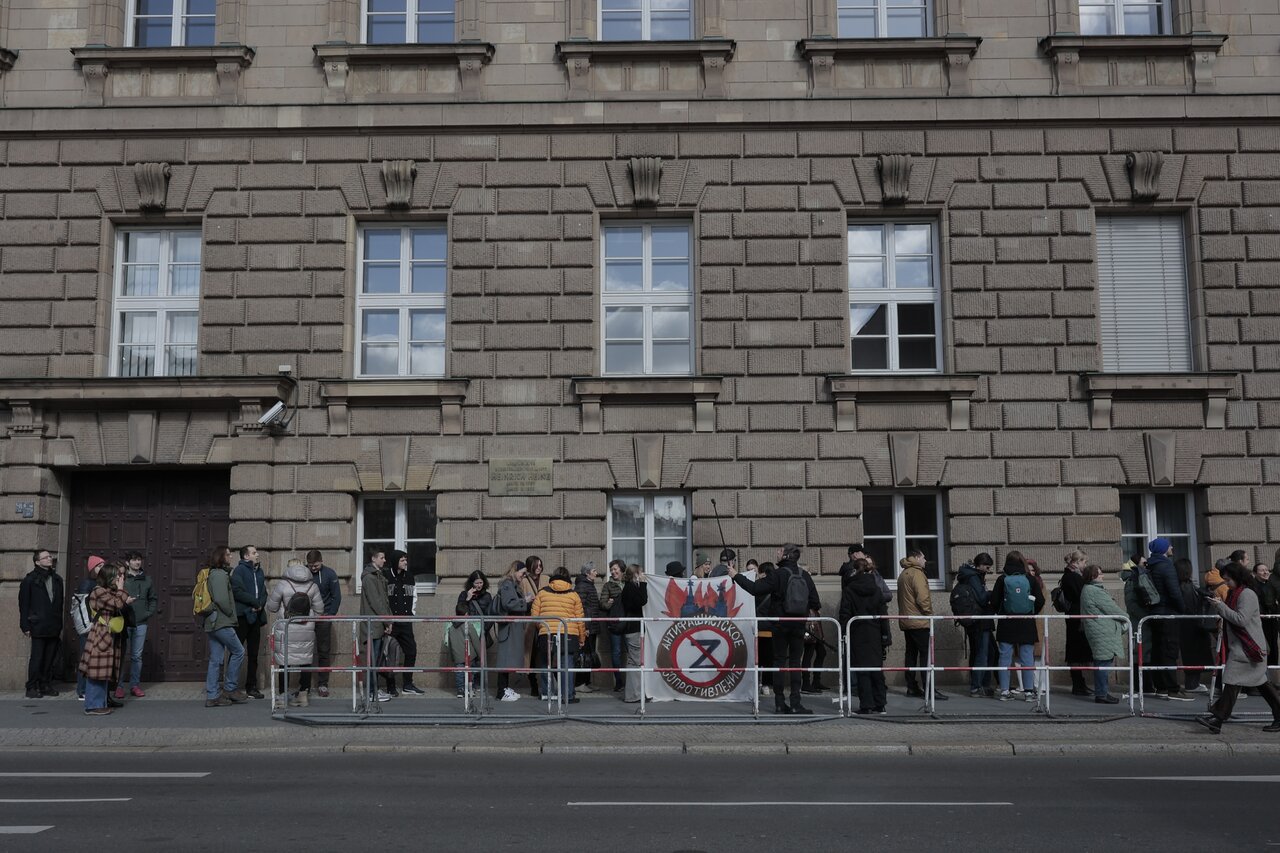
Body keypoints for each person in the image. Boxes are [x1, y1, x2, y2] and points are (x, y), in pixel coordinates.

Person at [730, 543, 820, 714]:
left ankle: (779, 703)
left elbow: (755, 589)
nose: (776, 553)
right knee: (795, 664)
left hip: (779, 624)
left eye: (779, 551)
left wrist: (736, 576)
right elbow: (815, 602)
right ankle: (796, 703)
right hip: (799, 625)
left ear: (785, 555)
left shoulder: (777, 575)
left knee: (779, 662)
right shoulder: (805, 576)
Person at [1197, 562, 1280, 734]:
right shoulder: (1236, 592)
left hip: (1249, 647)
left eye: (1228, 580)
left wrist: (1220, 606)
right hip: (1245, 647)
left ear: (1237, 577)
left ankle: (1217, 718)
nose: (1226, 583)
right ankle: (1217, 719)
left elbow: (1241, 619)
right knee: (1261, 684)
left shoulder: (1247, 594)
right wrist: (1220, 605)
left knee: (1232, 680)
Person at [265, 557, 323, 708]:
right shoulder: (312, 586)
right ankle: (303, 696)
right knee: (305, 661)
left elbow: (271, 607)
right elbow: (320, 610)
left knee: (284, 663)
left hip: (286, 628)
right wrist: (309, 621)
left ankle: (283, 697)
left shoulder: (283, 584)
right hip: (306, 630)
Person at [78, 562, 132, 716]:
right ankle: (93, 705)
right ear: (108, 577)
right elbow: (116, 604)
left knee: (104, 670)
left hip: (108, 634)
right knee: (96, 670)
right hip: (101, 634)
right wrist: (121, 590)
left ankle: (100, 702)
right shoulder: (98, 591)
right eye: (116, 576)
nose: (119, 578)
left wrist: (120, 592)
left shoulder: (107, 591)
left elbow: (118, 601)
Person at [990, 551, 1044, 702]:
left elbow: (994, 601)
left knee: (1004, 657)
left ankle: (1005, 691)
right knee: (1027, 657)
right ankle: (1028, 692)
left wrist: (1000, 611)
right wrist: (1031, 612)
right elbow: (1040, 600)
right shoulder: (1030, 579)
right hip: (1026, 622)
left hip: (1007, 622)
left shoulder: (1002, 579)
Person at [531, 566, 588, 704]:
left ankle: (547, 693)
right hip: (569, 633)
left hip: (547, 633)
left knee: (545, 663)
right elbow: (579, 619)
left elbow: (534, 616)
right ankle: (567, 696)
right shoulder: (574, 595)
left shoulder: (542, 593)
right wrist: (581, 638)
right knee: (566, 664)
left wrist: (542, 628)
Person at [839, 557, 888, 715]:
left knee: (862, 671)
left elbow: (844, 614)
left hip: (857, 632)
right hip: (874, 632)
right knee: (876, 669)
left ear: (854, 570)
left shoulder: (849, 589)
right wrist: (886, 635)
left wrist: (844, 633)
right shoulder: (876, 589)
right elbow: (883, 614)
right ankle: (880, 704)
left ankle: (866, 705)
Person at [1145, 538, 1191, 701]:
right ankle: (1173, 688)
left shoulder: (1151, 565)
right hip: (1167, 613)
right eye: (1169, 545)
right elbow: (1174, 592)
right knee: (1170, 651)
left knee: (1158, 650)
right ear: (1164, 549)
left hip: (1155, 613)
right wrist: (1182, 609)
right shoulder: (1166, 566)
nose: (1172, 547)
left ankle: (1161, 687)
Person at [203, 546, 248, 708]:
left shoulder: (212, 574)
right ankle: (229, 689)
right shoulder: (220, 575)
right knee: (239, 651)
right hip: (221, 621)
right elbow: (222, 600)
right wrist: (230, 613)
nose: (230, 557)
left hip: (212, 622)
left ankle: (213, 695)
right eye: (228, 554)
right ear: (221, 557)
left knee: (215, 659)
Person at [897, 550, 945, 700]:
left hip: (907, 620)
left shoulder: (904, 573)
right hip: (919, 620)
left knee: (911, 654)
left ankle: (911, 687)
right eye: (923, 557)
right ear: (917, 557)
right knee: (926, 656)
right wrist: (929, 614)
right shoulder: (917, 573)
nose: (925, 560)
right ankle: (929, 688)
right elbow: (923, 598)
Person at [19, 549, 64, 699]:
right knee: (37, 658)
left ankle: (45, 684)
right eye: (45, 557)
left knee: (49, 657)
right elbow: (24, 604)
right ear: (37, 562)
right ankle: (31, 686)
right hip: (37, 625)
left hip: (53, 624)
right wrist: (25, 625)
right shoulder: (30, 580)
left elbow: (59, 603)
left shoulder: (57, 579)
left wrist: (59, 622)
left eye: (50, 556)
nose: (49, 559)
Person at [1079, 564, 1125, 704]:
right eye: (1100, 574)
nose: (1103, 575)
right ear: (1093, 576)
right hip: (1102, 631)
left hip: (1098, 630)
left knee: (1102, 662)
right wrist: (1126, 618)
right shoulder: (1094, 591)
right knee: (1103, 663)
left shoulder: (1089, 589)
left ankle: (1103, 692)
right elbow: (1112, 609)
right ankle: (1101, 694)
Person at [115, 551, 156, 700]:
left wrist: (147, 613)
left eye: (139, 560)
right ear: (128, 563)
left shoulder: (147, 580)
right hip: (124, 622)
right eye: (134, 560)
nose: (137, 562)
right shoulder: (121, 579)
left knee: (136, 656)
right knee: (121, 654)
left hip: (140, 622)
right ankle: (119, 686)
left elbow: (153, 599)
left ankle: (134, 685)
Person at [954, 552, 996, 697]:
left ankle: (981, 684)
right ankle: (977, 686)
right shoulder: (974, 577)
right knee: (982, 654)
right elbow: (982, 598)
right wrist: (993, 594)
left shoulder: (969, 575)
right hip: (980, 621)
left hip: (976, 620)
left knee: (982, 652)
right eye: (987, 567)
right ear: (979, 565)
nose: (988, 570)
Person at [493, 561, 533, 702]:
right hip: (509, 627)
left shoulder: (510, 584)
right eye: (522, 572)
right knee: (505, 659)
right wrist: (525, 601)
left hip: (511, 627)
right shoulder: (508, 584)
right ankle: (501, 691)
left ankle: (504, 689)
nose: (524, 576)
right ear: (515, 571)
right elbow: (508, 603)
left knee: (508, 659)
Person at [303, 550, 342, 698]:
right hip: (306, 617)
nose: (313, 569)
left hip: (323, 617)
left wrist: (330, 614)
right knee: (304, 651)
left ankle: (323, 684)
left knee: (324, 651)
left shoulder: (330, 574)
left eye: (316, 566)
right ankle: (304, 685)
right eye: (311, 566)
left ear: (321, 561)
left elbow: (336, 596)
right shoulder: (304, 574)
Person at [231, 545, 267, 699]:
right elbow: (237, 592)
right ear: (246, 556)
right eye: (254, 553)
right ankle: (231, 686)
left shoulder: (259, 571)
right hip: (243, 617)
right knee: (237, 652)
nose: (257, 554)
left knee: (254, 654)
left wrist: (260, 605)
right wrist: (255, 603)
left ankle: (251, 686)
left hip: (256, 617)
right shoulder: (239, 571)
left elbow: (264, 592)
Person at [383, 551, 420, 696]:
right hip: (391, 623)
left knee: (411, 651)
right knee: (390, 655)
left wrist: (412, 613)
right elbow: (383, 598)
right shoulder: (386, 576)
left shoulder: (409, 576)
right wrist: (386, 620)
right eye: (402, 560)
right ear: (395, 561)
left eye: (406, 560)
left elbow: (414, 595)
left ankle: (407, 684)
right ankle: (390, 686)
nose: (405, 562)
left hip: (406, 621)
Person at [359, 549, 393, 703]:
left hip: (378, 623)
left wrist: (388, 620)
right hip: (373, 624)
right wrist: (388, 620)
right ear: (373, 559)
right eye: (382, 557)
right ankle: (372, 692)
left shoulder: (377, 576)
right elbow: (376, 602)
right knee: (372, 660)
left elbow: (384, 601)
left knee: (377, 659)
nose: (384, 560)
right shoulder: (370, 578)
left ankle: (374, 690)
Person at [1178, 557, 1215, 695]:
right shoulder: (1186, 587)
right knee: (1194, 655)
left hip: (1189, 626)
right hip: (1192, 626)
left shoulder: (1186, 585)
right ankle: (1192, 684)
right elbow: (1191, 607)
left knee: (1193, 655)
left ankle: (1193, 682)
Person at [1059, 549, 1093, 696]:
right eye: (1084, 562)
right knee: (1076, 652)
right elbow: (1082, 595)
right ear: (1077, 562)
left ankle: (1079, 683)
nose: (1085, 565)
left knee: (1076, 651)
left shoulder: (1071, 575)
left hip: (1075, 616)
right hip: (1076, 617)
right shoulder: (1073, 577)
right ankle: (1078, 684)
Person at [73, 556, 106, 701]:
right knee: (85, 658)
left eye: (103, 565)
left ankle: (89, 688)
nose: (102, 568)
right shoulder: (87, 584)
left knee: (92, 658)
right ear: (92, 569)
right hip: (89, 625)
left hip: (98, 625)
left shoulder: (100, 583)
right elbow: (83, 606)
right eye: (99, 566)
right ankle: (82, 689)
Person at [620, 563, 648, 703]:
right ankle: (634, 695)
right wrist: (643, 584)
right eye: (640, 572)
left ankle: (633, 694)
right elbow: (642, 601)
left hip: (633, 629)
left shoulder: (629, 587)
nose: (642, 574)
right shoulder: (630, 588)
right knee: (635, 662)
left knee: (633, 661)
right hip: (634, 630)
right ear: (635, 574)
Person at [599, 559, 627, 692]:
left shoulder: (629, 582)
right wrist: (609, 603)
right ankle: (619, 682)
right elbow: (603, 604)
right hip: (615, 622)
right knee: (616, 653)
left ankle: (632, 682)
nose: (613, 572)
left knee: (632, 652)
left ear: (622, 569)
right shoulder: (608, 585)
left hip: (629, 622)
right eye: (611, 570)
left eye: (615, 569)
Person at [572, 562, 601, 691]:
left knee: (588, 655)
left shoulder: (588, 585)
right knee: (583, 655)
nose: (596, 573)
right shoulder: (583, 586)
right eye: (594, 570)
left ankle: (586, 682)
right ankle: (580, 683)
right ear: (587, 573)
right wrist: (585, 627)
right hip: (587, 627)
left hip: (591, 626)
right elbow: (581, 608)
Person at [444, 603, 483, 699]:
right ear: (466, 614)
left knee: (459, 673)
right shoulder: (468, 625)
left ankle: (460, 690)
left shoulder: (451, 627)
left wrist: (452, 656)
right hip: (470, 655)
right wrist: (481, 655)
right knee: (471, 673)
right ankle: (470, 689)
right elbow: (475, 641)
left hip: (457, 655)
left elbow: (450, 643)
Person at [523, 555, 545, 696]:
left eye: (540, 565)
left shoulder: (546, 579)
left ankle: (545, 685)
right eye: (536, 565)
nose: (539, 568)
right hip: (530, 622)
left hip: (544, 621)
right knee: (530, 655)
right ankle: (534, 685)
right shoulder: (524, 581)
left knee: (543, 653)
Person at [1257, 562, 1280, 688]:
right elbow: (1268, 602)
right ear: (1255, 573)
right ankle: (1266, 681)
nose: (1266, 572)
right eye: (1262, 570)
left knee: (1273, 650)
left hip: (1272, 620)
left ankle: (1271, 680)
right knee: (1267, 650)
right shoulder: (1259, 586)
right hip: (1264, 621)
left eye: (1267, 569)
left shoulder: (1270, 582)